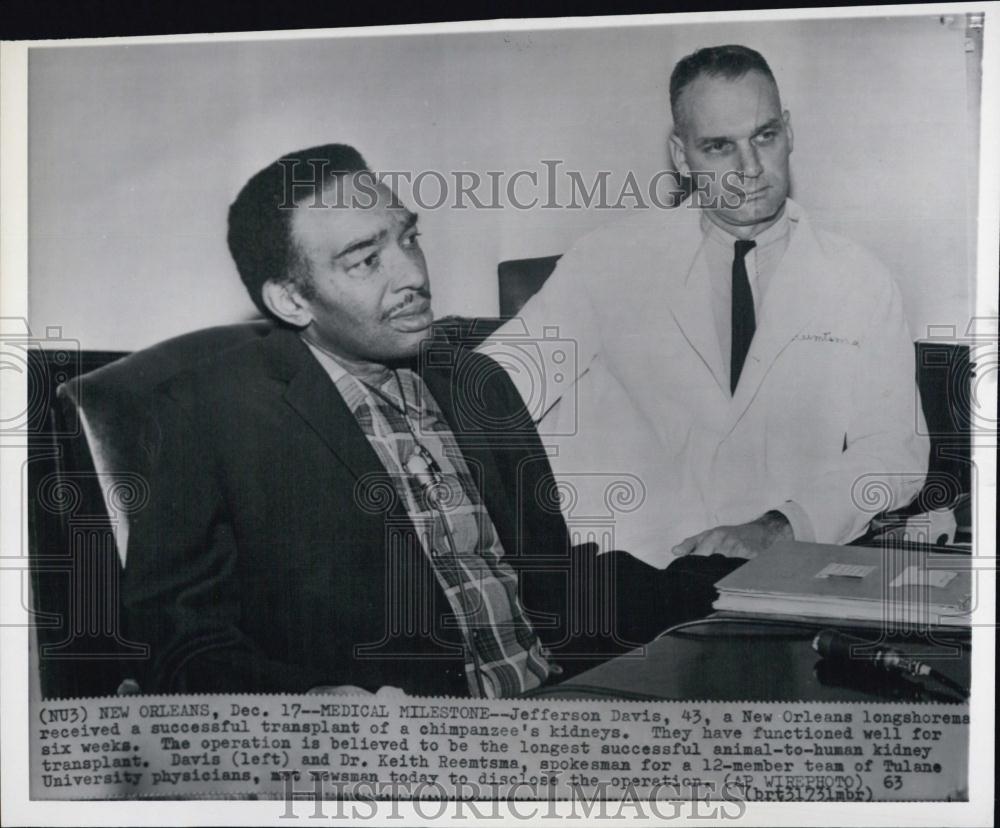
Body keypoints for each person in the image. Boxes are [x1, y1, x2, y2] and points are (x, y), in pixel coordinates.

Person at [122, 143, 678, 697]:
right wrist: (310, 705)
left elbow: (549, 579)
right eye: (366, 260)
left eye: (409, 238)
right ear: (292, 300)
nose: (412, 273)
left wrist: (721, 580)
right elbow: (176, 648)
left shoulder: (476, 381)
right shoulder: (204, 416)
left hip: (555, 710)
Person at [482, 45, 929, 563]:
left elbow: (893, 452)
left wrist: (783, 526)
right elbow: (496, 390)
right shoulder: (608, 259)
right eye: (719, 146)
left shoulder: (861, 280)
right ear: (681, 155)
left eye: (765, 136)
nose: (751, 167)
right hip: (625, 573)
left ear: (789, 130)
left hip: (775, 570)